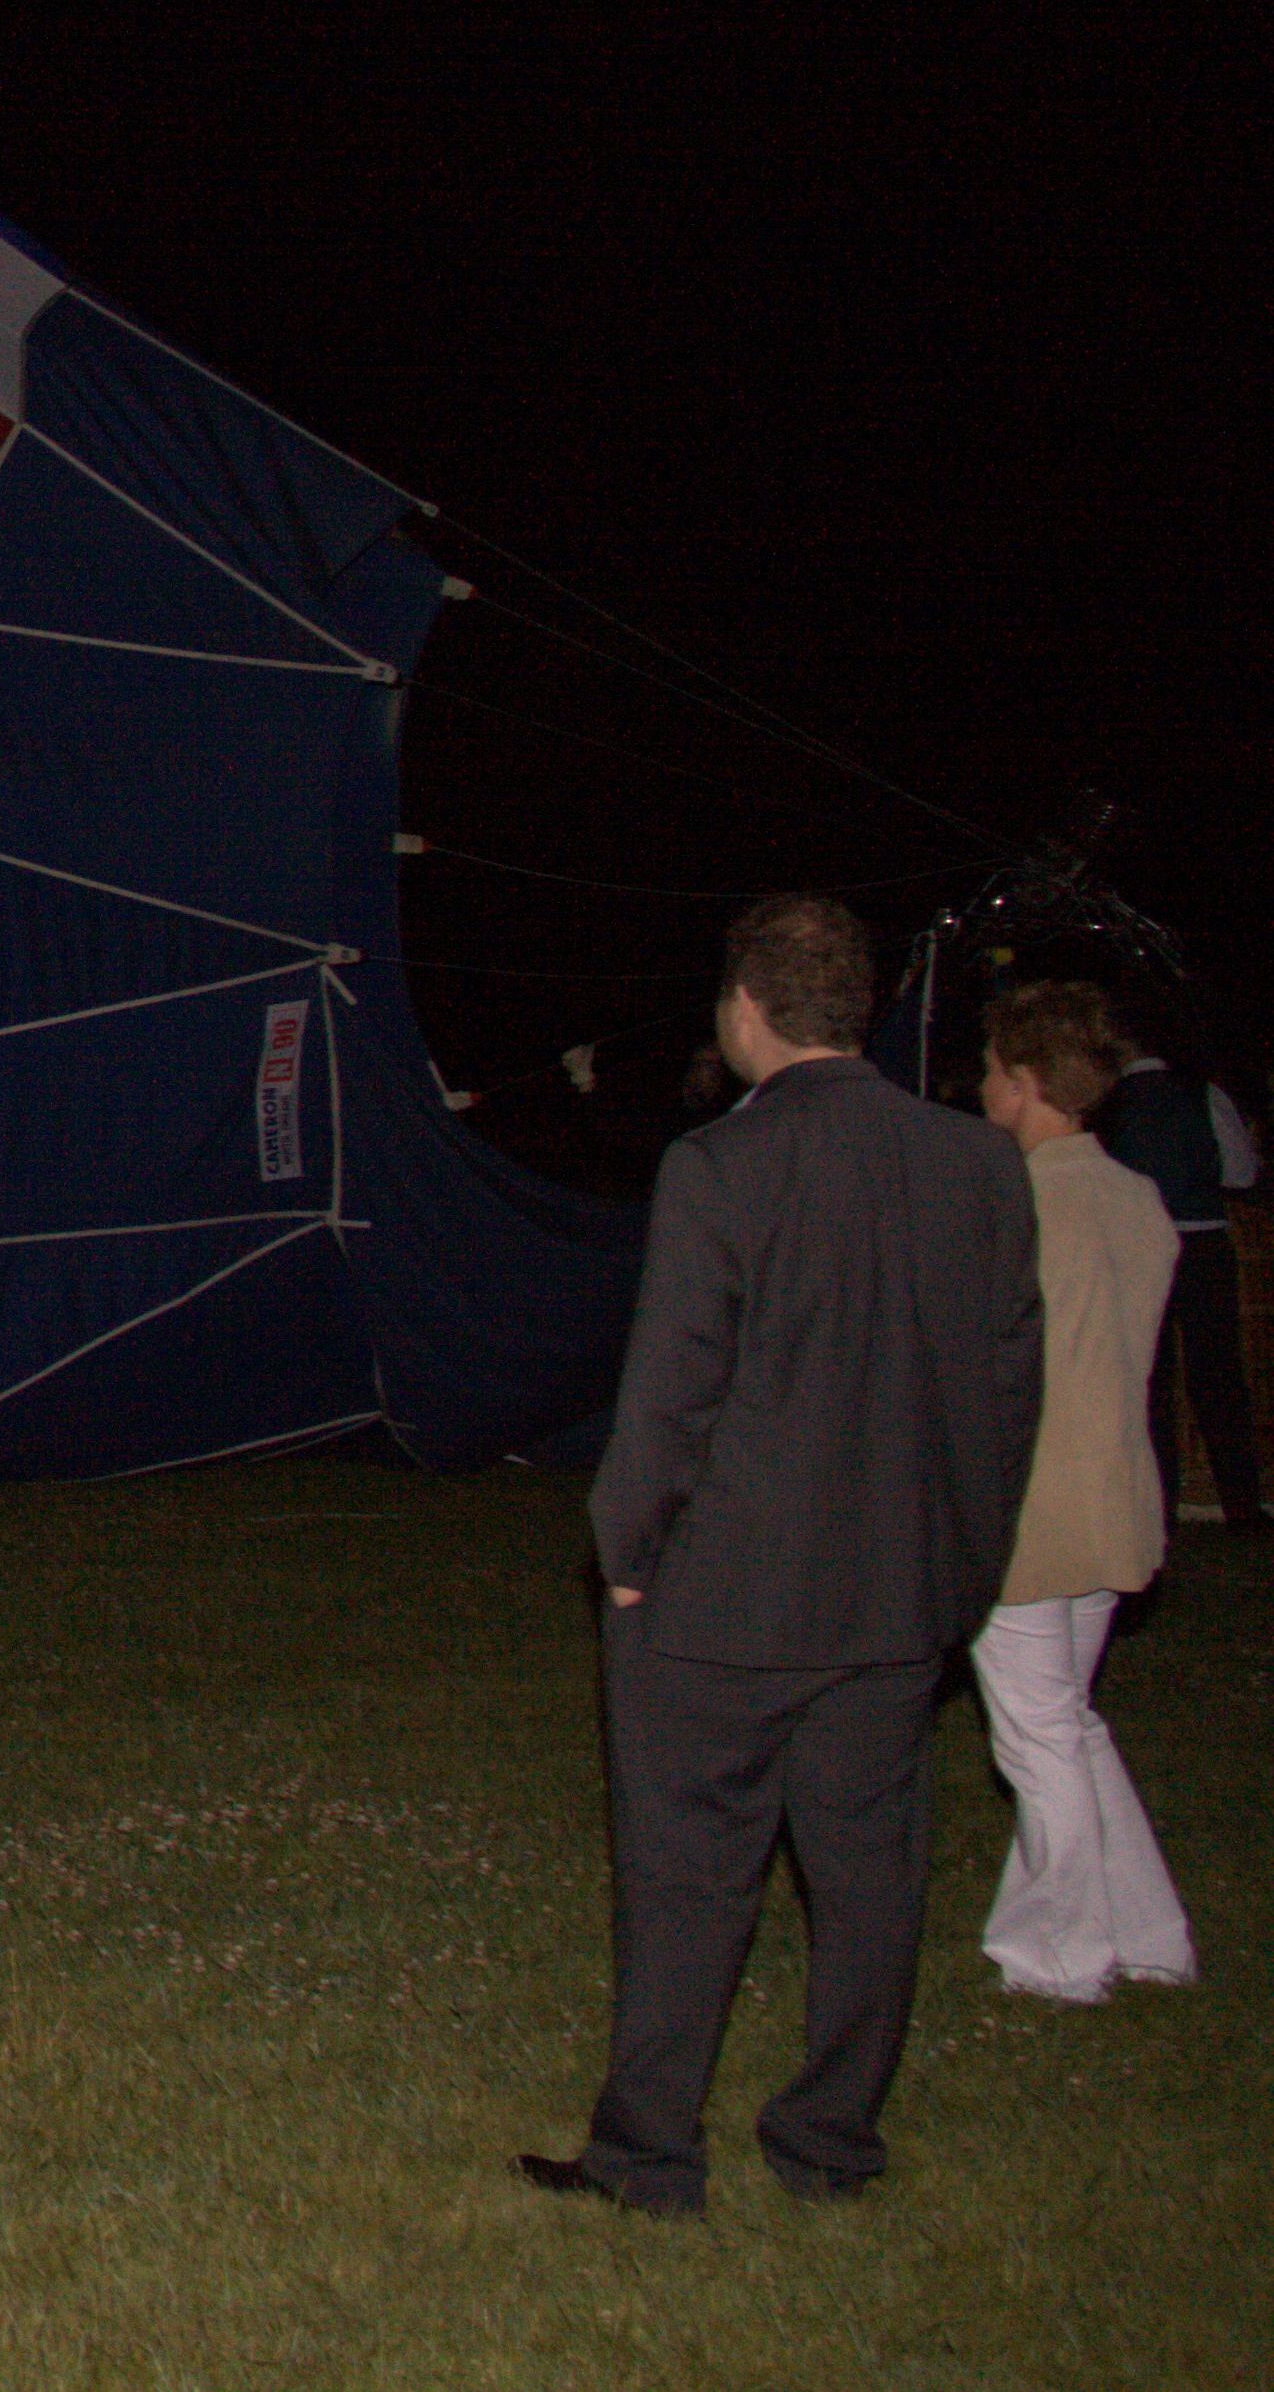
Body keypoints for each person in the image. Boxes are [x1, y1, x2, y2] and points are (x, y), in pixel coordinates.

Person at [518, 892, 1040, 2216]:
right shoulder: (976, 1161)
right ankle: (828, 2141)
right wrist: (965, 1560)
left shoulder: (721, 1165)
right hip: (894, 1595)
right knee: (868, 1878)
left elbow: (670, 1388)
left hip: (723, 1601)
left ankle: (649, 2156)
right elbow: (1006, 1387)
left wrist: (623, 1549)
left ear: (746, 1009)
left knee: (687, 1873)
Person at [966, 980, 1192, 1999]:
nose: (980, 1090)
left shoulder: (1021, 1203)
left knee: (1038, 1731)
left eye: (988, 1071)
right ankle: (1148, 1934)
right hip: (1116, 1497)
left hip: (1035, 1503)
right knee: (1068, 1722)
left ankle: (1062, 1955)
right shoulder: (1135, 1196)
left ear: (1023, 1081)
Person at [1097, 1034, 1258, 1527]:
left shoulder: (1108, 1104)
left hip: (1137, 1248)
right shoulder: (1204, 1095)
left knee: (1149, 1383)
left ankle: (1158, 1506)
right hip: (1202, 1246)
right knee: (1219, 1376)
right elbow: (1241, 1173)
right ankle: (1242, 1503)